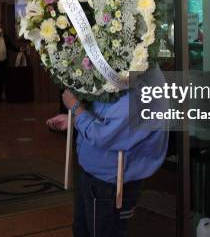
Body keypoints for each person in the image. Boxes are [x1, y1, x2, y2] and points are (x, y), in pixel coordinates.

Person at [48, 90, 168, 236]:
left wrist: (74, 106)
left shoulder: (141, 87)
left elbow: (104, 136)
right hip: (94, 172)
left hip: (110, 181)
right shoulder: (121, 78)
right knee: (83, 229)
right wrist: (75, 119)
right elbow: (106, 116)